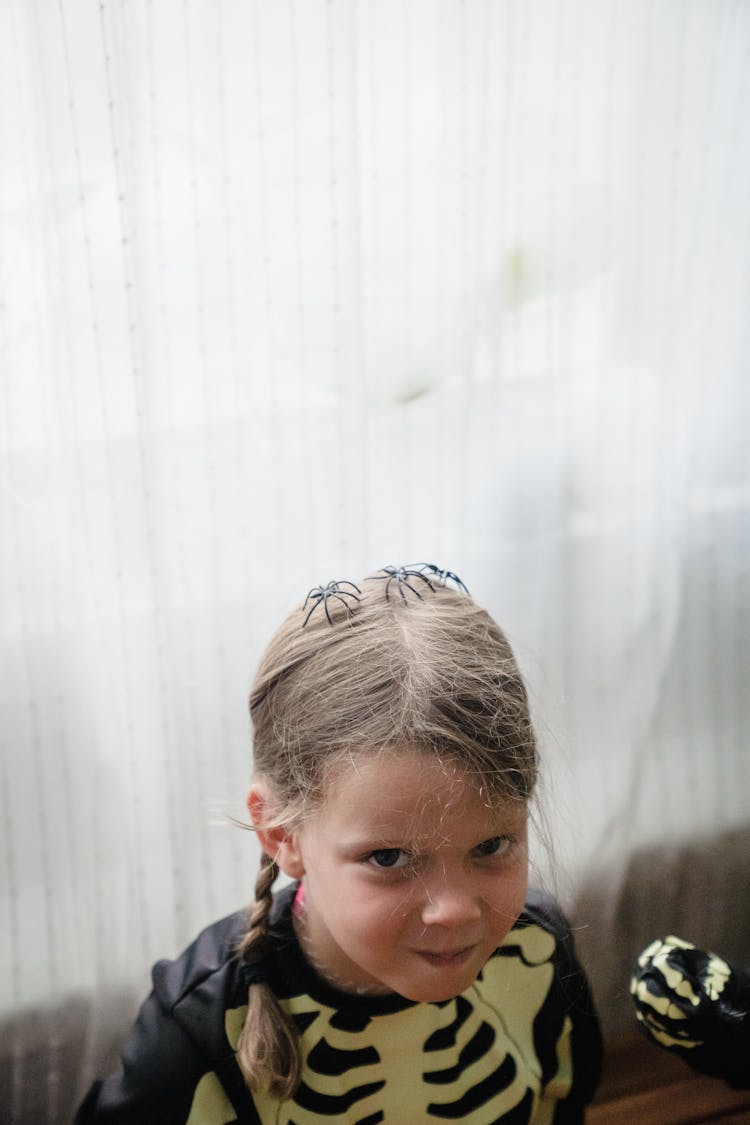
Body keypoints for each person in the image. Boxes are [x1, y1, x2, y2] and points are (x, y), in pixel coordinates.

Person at [75, 564, 602, 1124]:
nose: (454, 909)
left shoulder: (539, 953)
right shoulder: (196, 1028)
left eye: (492, 846)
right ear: (281, 833)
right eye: (389, 858)